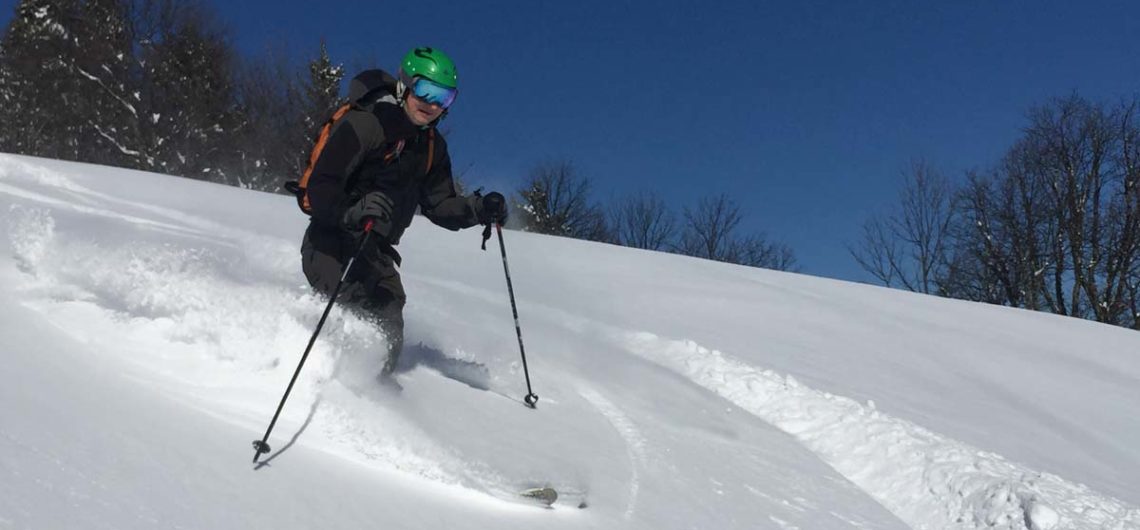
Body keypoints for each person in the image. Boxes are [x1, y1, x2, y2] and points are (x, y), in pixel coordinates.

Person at [300, 47, 508, 377]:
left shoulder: (431, 147)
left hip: (375, 254)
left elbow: (440, 205)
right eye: (426, 91)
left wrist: (479, 208)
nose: (433, 105)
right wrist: (352, 211)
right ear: (405, 85)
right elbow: (320, 187)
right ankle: (317, 384)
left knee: (387, 332)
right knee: (347, 315)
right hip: (332, 242)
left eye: (445, 98)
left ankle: (372, 399)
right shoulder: (365, 124)